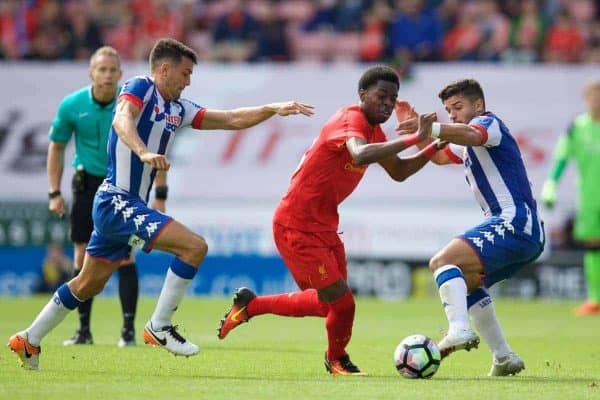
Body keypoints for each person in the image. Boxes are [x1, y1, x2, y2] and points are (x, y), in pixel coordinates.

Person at [8, 37, 314, 371]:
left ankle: (28, 339)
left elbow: (231, 119)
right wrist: (143, 152)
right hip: (116, 200)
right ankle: (159, 325)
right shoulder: (140, 87)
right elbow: (121, 119)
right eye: (185, 74)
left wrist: (272, 108)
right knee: (194, 247)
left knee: (87, 283)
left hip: (122, 206)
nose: (188, 81)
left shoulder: (177, 109)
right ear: (164, 69)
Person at [217, 65, 445, 376]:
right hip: (296, 225)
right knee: (344, 303)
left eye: (393, 99)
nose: (388, 105)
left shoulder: (375, 132)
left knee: (330, 305)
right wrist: (414, 138)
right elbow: (361, 154)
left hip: (323, 226)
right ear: (362, 95)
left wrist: (433, 145)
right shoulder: (350, 118)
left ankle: (250, 305)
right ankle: (337, 360)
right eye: (382, 96)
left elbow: (399, 172)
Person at [396, 78, 544, 376]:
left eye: (458, 107)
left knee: (442, 262)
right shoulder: (467, 144)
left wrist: (432, 128)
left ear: (478, 105)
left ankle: (459, 330)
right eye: (448, 110)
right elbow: (438, 156)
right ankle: (504, 357)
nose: (452, 115)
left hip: (513, 222)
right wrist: (416, 132)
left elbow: (470, 133)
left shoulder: (489, 124)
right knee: (464, 283)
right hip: (526, 233)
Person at [46, 45, 164, 348]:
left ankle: (127, 332)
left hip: (122, 188)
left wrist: (161, 194)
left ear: (120, 74)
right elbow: (56, 146)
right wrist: (54, 191)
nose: (108, 75)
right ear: (91, 73)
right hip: (85, 186)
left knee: (125, 257)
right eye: (102, 69)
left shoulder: (131, 104)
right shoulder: (72, 105)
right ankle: (83, 330)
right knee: (82, 255)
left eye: (113, 70)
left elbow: (156, 146)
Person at [541, 80, 600, 316]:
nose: (597, 100)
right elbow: (562, 158)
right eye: (593, 96)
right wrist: (551, 184)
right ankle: (595, 299)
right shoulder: (577, 127)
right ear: (586, 99)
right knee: (593, 248)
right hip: (589, 198)